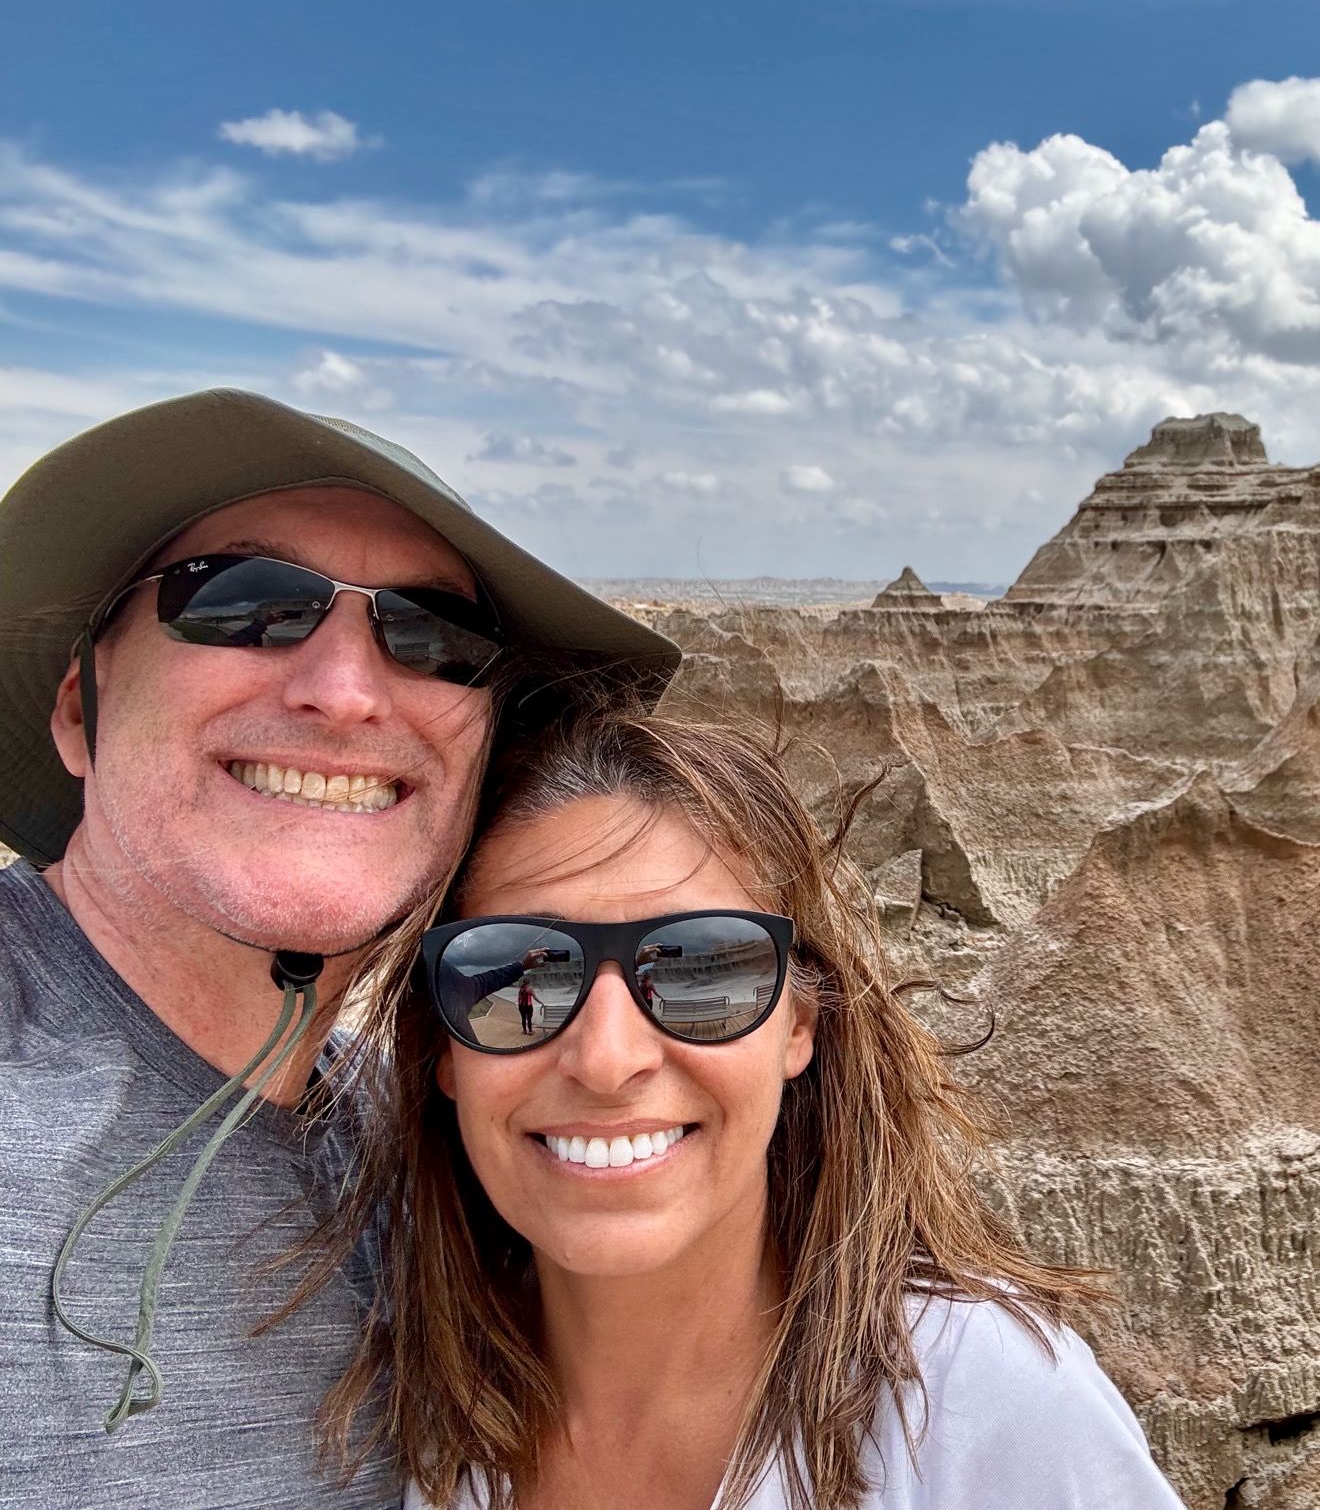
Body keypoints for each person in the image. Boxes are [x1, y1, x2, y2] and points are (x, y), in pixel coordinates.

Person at [0, 389, 678, 1508]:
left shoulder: (456, 1155)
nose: (345, 692)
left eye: (434, 636)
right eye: (245, 603)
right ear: (80, 712)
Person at [324, 708, 1187, 1510]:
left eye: (702, 972)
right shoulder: (392, 1405)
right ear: (443, 1048)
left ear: (798, 1025)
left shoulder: (983, 1408)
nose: (609, 1060)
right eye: (519, 974)